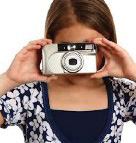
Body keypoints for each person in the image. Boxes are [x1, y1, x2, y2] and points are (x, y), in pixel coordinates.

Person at [0, 0, 136, 143]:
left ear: (108, 44)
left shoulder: (122, 93)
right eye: (67, 49)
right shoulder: (29, 95)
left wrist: (133, 72)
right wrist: (9, 79)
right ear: (50, 45)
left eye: (88, 47)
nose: (76, 61)